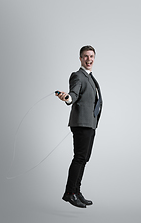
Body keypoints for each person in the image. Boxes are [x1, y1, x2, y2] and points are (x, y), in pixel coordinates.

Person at [56, 45, 102, 208]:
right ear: (80, 58)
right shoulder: (78, 76)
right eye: (85, 56)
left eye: (91, 56)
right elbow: (73, 94)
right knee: (79, 158)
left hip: (90, 123)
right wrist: (67, 98)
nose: (89, 59)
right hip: (81, 123)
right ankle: (69, 193)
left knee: (84, 159)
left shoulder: (90, 77)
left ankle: (76, 191)